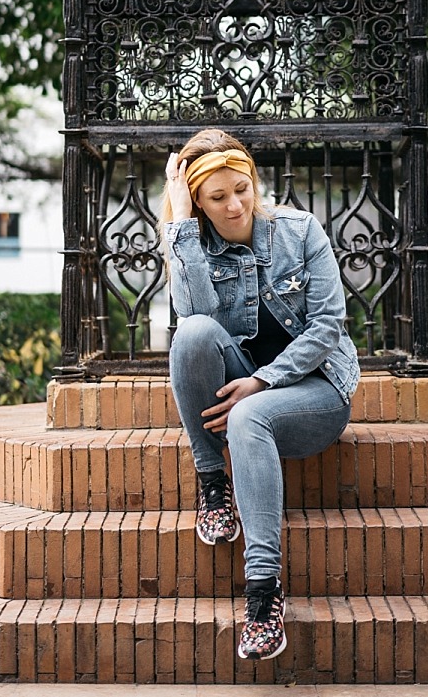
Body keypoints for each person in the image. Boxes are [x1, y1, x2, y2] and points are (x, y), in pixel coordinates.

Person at [161, 129, 360, 661]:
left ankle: (263, 595)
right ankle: (213, 483)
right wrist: (180, 223)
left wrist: (264, 381)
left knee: (249, 415)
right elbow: (194, 313)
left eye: (242, 189)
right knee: (194, 335)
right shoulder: (194, 242)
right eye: (217, 197)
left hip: (317, 393)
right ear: (199, 202)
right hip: (244, 379)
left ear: (254, 181)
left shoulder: (299, 231)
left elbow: (327, 327)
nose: (235, 205)